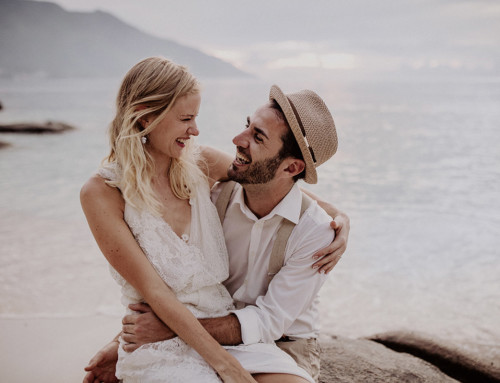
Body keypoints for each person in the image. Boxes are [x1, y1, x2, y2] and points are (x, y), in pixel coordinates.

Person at [83, 69, 349, 382]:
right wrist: (125, 341)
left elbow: (280, 189)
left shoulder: (200, 166)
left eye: (257, 136)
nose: (197, 131)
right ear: (145, 118)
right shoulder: (215, 187)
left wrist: (337, 218)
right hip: (197, 330)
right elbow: (158, 289)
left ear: (292, 167)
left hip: (275, 340)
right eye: (186, 118)